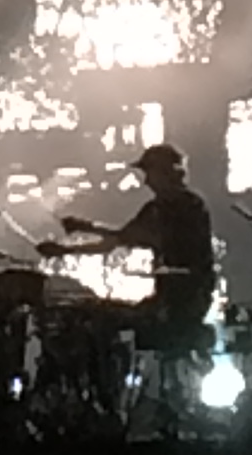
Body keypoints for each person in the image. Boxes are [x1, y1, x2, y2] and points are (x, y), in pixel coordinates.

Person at [43, 144, 215, 426]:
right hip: (170, 300)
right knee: (99, 316)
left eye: (150, 173)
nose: (146, 181)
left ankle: (110, 400)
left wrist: (79, 234)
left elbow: (126, 238)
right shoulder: (164, 208)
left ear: (168, 173)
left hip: (180, 304)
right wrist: (67, 248)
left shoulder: (184, 208)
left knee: (101, 321)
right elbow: (120, 240)